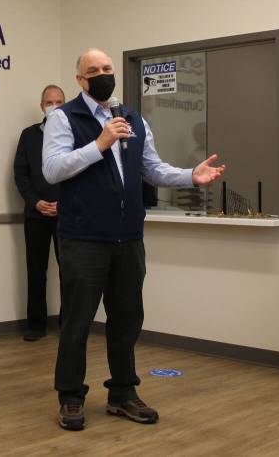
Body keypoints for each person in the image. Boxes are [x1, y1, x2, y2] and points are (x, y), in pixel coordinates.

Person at [43, 48, 225, 432]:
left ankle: (123, 393)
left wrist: (190, 176)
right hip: (83, 240)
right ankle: (71, 396)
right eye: (94, 70)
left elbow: (152, 168)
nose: (104, 74)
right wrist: (100, 143)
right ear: (80, 80)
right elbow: (53, 169)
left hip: (128, 240)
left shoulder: (133, 118)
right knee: (77, 321)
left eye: (108, 68)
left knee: (127, 320)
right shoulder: (64, 117)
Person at [13, 84, 65, 341]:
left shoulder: (75, 135)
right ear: (41, 105)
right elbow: (20, 174)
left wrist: (63, 203)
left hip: (68, 215)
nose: (53, 106)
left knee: (71, 272)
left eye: (58, 102)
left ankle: (70, 325)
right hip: (36, 215)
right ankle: (36, 325)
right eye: (49, 102)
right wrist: (36, 202)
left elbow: (82, 172)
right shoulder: (29, 135)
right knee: (36, 271)